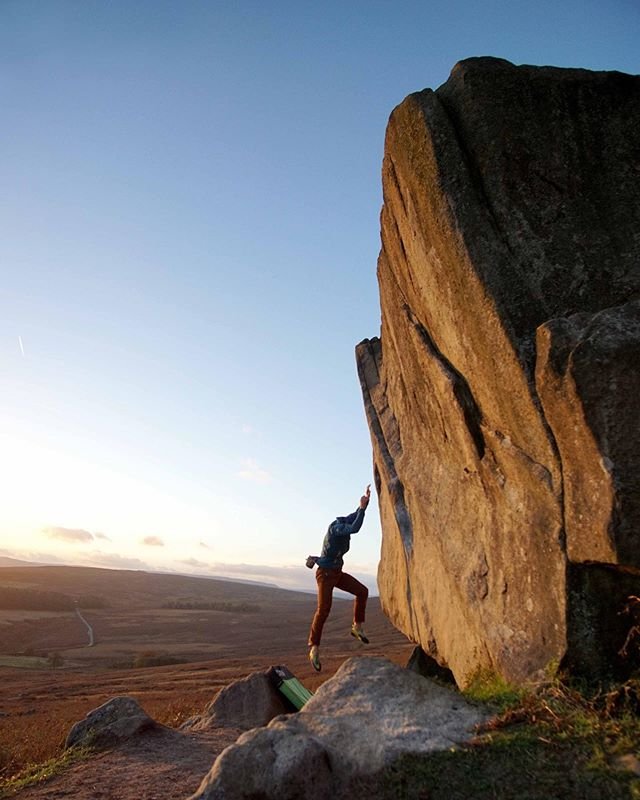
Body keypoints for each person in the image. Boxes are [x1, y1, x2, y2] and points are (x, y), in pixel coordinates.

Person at [307, 484, 371, 672]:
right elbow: (355, 527)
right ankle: (314, 648)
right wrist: (361, 509)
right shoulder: (336, 530)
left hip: (336, 573)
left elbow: (354, 518)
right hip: (325, 575)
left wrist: (363, 506)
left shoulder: (342, 523)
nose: (347, 530)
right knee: (324, 609)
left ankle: (357, 627)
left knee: (362, 591)